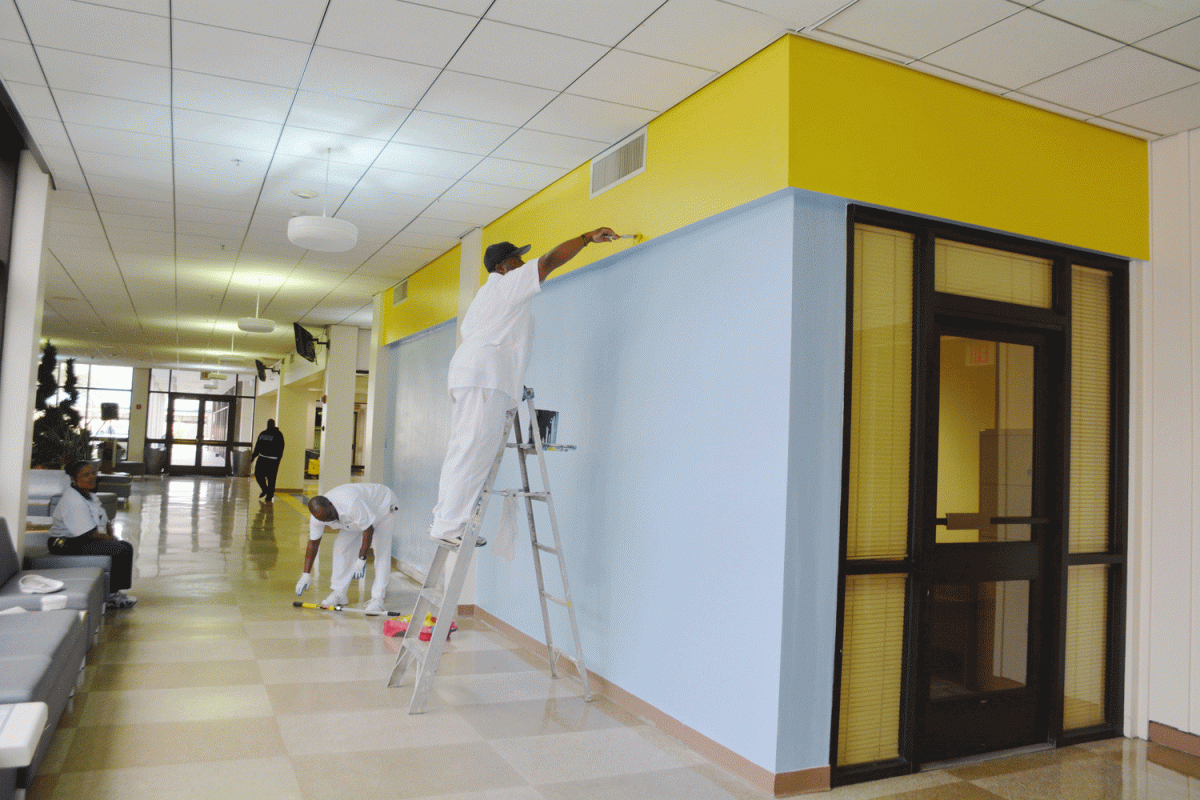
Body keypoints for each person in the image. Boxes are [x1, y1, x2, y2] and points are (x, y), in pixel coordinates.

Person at [429, 227, 620, 546]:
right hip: (485, 379)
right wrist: (586, 238)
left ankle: (449, 521)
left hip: (481, 378)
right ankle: (448, 526)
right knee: (472, 450)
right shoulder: (506, 285)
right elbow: (548, 261)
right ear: (503, 266)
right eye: (518, 259)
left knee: (471, 449)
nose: (524, 263)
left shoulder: (487, 298)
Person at [296, 483, 400, 615]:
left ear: (330, 504)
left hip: (383, 507)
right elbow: (313, 543)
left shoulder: (350, 503)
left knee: (381, 550)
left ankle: (377, 599)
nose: (330, 520)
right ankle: (339, 593)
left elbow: (368, 528)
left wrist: (362, 558)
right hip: (356, 518)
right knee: (341, 547)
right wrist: (306, 574)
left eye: (330, 516)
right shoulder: (319, 516)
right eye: (326, 520)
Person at [47, 460, 137, 609]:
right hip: (63, 543)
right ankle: (111, 597)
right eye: (86, 475)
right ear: (74, 479)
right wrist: (110, 540)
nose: (92, 477)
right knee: (118, 549)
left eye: (93, 473)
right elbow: (89, 534)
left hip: (80, 538)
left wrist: (110, 533)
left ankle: (116, 591)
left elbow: (103, 519)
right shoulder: (74, 500)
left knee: (126, 546)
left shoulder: (88, 495)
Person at [249, 418, 285, 502]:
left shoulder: (278, 434)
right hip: (262, 458)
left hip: (273, 460)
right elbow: (257, 447)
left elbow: (281, 447)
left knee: (271, 479)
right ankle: (265, 489)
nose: (270, 425)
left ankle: (269, 496)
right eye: (269, 423)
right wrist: (253, 457)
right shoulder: (263, 434)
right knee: (258, 475)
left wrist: (278, 459)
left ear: (274, 424)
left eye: (271, 423)